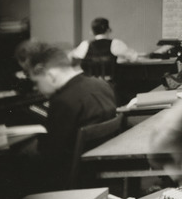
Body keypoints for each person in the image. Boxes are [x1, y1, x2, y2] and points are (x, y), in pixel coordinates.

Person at [26, 42, 117, 190]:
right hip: (99, 170)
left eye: (36, 82)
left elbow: (50, 154)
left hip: (74, 178)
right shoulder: (101, 85)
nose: (37, 89)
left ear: (49, 74)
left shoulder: (62, 101)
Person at [70, 17, 139, 68]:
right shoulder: (116, 43)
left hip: (90, 83)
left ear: (91, 32)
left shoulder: (85, 45)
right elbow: (134, 57)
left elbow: (72, 57)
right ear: (108, 30)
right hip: (111, 84)